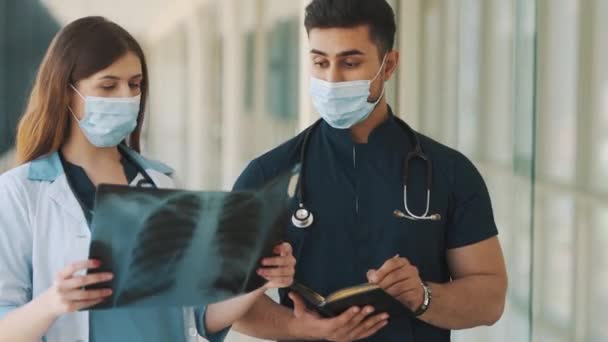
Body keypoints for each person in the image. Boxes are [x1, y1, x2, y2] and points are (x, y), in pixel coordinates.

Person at [0, 16, 296, 342]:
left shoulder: (162, 182)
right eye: (108, 85)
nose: (126, 96)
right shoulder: (20, 192)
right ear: (67, 92)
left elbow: (198, 316)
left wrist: (260, 281)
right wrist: (51, 303)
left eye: (135, 84)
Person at [232, 0, 508, 341]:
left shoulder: (450, 173)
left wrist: (422, 296)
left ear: (389, 64)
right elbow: (219, 296)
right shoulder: (267, 175)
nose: (332, 80)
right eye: (320, 62)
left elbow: (490, 298)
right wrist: (297, 326)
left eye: (350, 62)